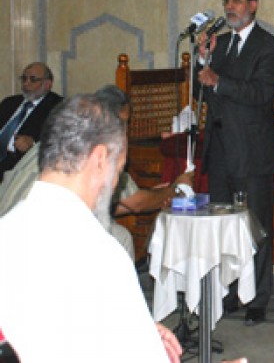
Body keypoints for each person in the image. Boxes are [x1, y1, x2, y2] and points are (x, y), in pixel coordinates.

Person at [0, 94, 182, 362]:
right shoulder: (101, 255)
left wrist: (130, 332)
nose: (114, 184)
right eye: (118, 170)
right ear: (99, 159)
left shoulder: (7, 230)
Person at [0, 85, 181, 260]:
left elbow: (95, 203)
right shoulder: (101, 150)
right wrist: (176, 189)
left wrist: (153, 194)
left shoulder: (55, 139)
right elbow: (138, 203)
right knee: (120, 237)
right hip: (40, 240)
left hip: (10, 226)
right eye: (123, 123)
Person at [195, 0, 274, 325]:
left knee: (255, 227)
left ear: (253, 5)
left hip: (252, 151)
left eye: (236, 0)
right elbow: (202, 90)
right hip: (219, 150)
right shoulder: (220, 44)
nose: (229, 6)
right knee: (225, 225)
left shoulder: (269, 46)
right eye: (226, 1)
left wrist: (219, 81)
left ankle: (258, 298)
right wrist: (202, 58)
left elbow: (260, 93)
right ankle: (231, 292)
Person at [0, 62, 63, 181]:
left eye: (33, 79)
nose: (26, 83)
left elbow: (60, 140)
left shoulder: (57, 107)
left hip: (17, 165)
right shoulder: (9, 102)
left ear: (47, 84)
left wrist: (33, 144)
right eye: (24, 78)